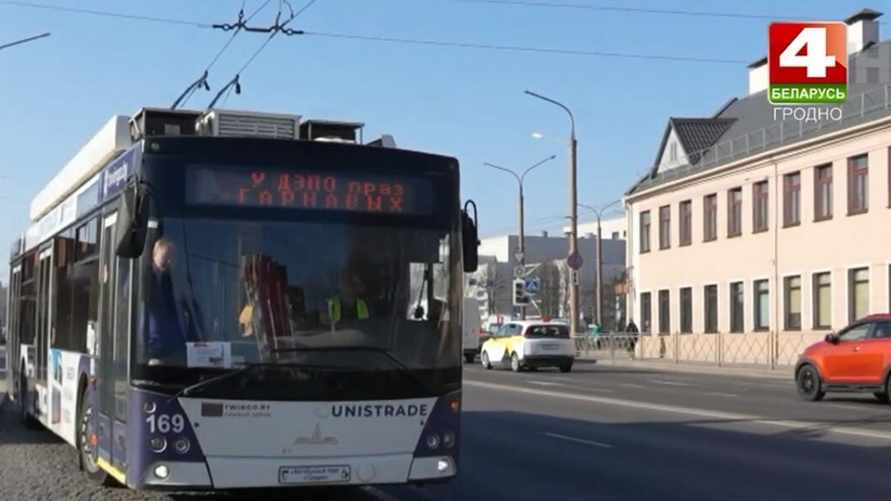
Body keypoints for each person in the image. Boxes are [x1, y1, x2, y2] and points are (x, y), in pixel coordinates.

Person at [146, 238, 189, 365]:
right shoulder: (142, 276)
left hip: (175, 346)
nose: (170, 261)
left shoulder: (173, 278)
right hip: (152, 348)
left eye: (172, 258)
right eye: (166, 256)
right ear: (155, 255)